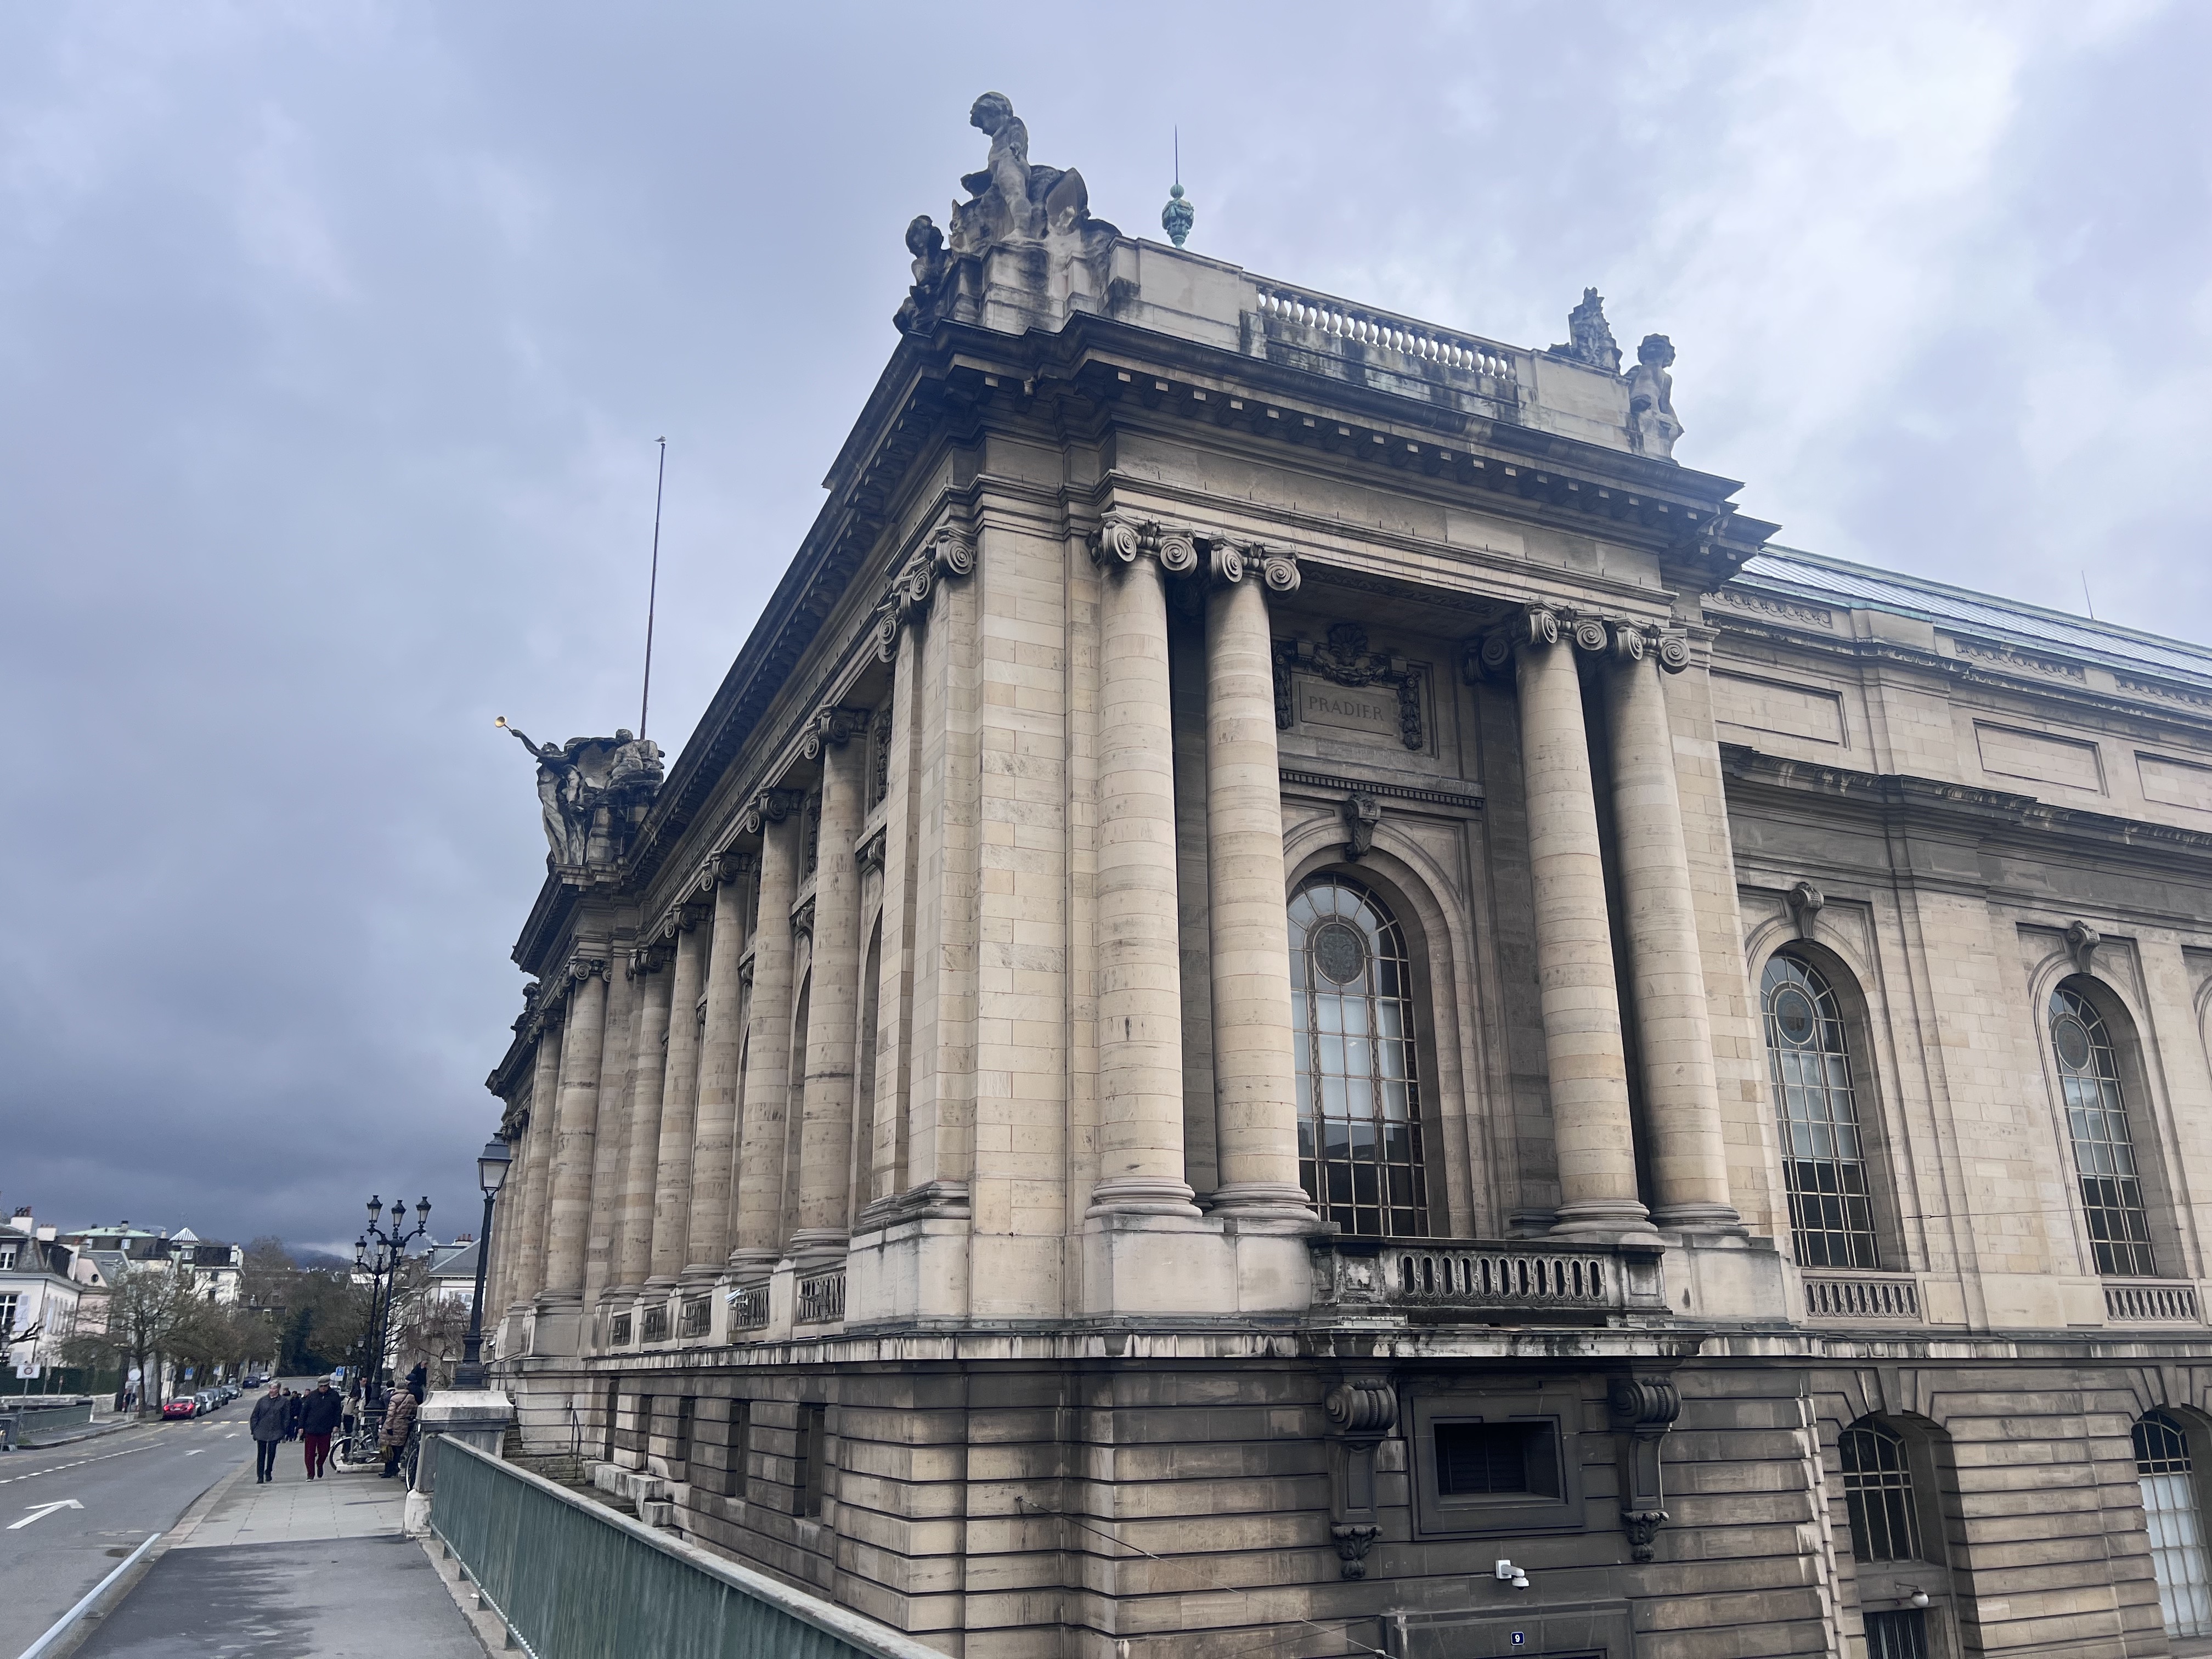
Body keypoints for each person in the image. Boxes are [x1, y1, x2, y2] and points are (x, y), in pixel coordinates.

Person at [298, 1378, 342, 1480]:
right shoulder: (312, 1396)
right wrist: (301, 1426)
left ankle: (320, 1463)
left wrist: (336, 1425)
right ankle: (310, 1474)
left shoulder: (334, 1396)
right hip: (311, 1428)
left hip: (326, 1428)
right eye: (321, 1386)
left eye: (325, 1386)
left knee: (324, 1451)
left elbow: (337, 1412)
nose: (323, 1388)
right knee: (309, 1453)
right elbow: (304, 1412)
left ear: (328, 1385)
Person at [248, 1384, 289, 1484]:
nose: (271, 1390)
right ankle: (260, 1476)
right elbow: (255, 1416)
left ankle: (268, 1471)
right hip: (262, 1430)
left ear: (278, 1389)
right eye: (270, 1388)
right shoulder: (262, 1401)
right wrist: (254, 1429)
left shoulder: (284, 1401)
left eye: (274, 1388)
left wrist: (284, 1431)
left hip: (276, 1430)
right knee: (261, 1454)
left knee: (271, 1453)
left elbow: (286, 1417)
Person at [379, 1385, 419, 1479]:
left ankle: (388, 1470)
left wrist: (388, 1427)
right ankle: (394, 1467)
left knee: (388, 1448)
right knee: (398, 1448)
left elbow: (391, 1414)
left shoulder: (394, 1398)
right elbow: (416, 1409)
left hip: (392, 1425)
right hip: (404, 1425)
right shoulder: (411, 1397)